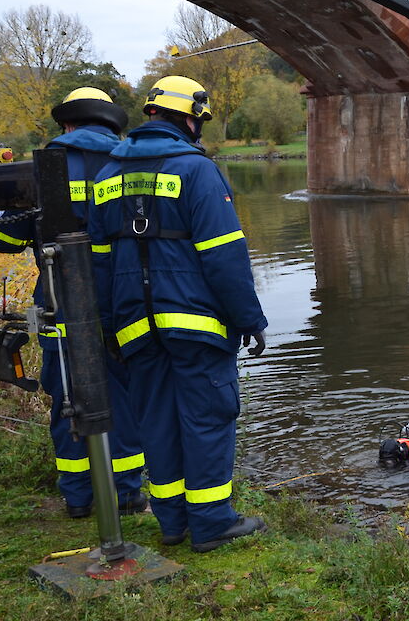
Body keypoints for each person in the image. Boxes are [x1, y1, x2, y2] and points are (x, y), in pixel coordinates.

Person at [88, 76, 268, 553]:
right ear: (190, 117)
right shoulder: (196, 171)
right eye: (199, 120)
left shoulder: (107, 175)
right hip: (197, 326)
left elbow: (99, 263)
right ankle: (211, 523)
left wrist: (110, 328)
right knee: (208, 417)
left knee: (157, 422)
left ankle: (172, 523)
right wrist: (249, 320)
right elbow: (224, 256)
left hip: (134, 328)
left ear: (150, 115)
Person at [0, 87, 146, 518]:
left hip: (58, 301)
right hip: (120, 302)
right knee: (122, 397)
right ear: (110, 123)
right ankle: (128, 493)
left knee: (67, 397)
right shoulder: (128, 163)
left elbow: (3, 240)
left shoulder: (41, 167)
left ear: (67, 125)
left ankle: (78, 498)